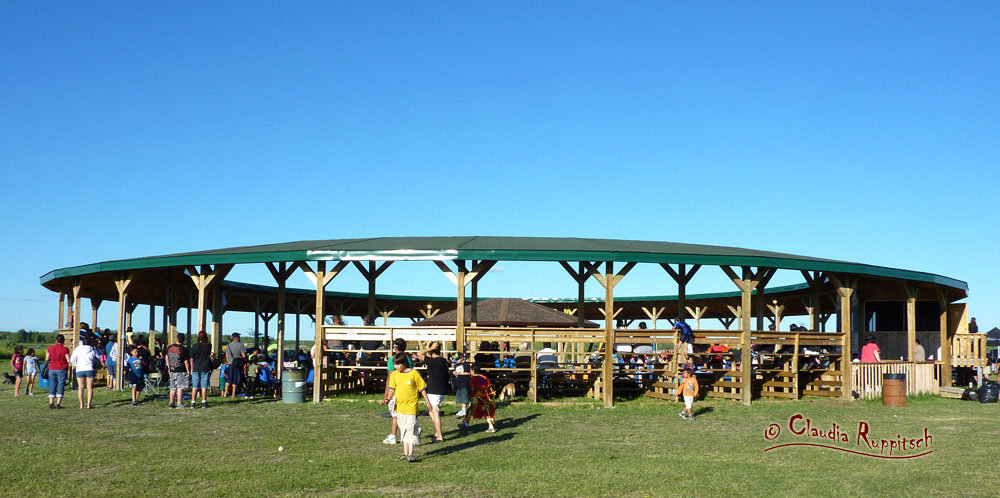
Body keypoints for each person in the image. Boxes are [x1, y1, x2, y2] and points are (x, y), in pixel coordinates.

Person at [381, 352, 431, 462]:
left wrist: (427, 402)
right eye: (395, 364)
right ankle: (405, 453)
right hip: (400, 408)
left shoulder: (414, 373)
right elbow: (391, 389)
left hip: (411, 407)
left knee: (411, 429)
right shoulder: (394, 375)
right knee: (403, 429)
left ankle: (411, 453)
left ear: (404, 363)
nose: (396, 367)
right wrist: (387, 399)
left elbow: (422, 389)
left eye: (398, 364)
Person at [383, 338, 414, 445]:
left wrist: (386, 394)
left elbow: (390, 378)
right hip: (408, 390)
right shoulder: (409, 359)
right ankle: (412, 431)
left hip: (396, 390)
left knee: (396, 414)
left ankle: (394, 435)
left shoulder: (393, 359)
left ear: (395, 348)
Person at [416, 341, 448, 443]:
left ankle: (439, 436)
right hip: (442, 390)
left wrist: (430, 348)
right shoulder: (444, 361)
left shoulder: (432, 361)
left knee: (434, 411)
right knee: (431, 411)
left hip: (434, 390)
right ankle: (437, 433)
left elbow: (419, 354)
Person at [460, 363, 496, 432]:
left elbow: (474, 389)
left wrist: (471, 395)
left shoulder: (473, 379)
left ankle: (467, 424)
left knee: (471, 410)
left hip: (477, 398)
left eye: (470, 370)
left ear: (473, 370)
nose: (470, 372)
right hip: (486, 397)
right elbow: (489, 386)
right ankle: (490, 426)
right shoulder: (484, 377)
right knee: (485, 411)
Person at [70, 336, 102, 409]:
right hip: (90, 369)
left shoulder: (77, 349)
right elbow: (98, 359)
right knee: (89, 387)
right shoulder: (93, 350)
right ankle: (89, 404)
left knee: (80, 388)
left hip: (80, 369)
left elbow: (72, 359)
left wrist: (76, 365)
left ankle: (81, 404)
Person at [165, 333, 192, 409]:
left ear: (177, 339)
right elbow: (186, 361)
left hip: (172, 370)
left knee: (173, 387)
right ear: (183, 340)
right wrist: (188, 371)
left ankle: (171, 403)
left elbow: (166, 357)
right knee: (180, 387)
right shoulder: (184, 349)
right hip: (181, 370)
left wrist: (168, 367)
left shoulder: (170, 347)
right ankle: (179, 402)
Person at [190, 331, 214, 408]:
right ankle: (204, 401)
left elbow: (191, 358)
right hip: (205, 367)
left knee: (195, 386)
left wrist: (191, 368)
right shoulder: (209, 345)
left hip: (196, 367)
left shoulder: (194, 346)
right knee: (204, 386)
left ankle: (193, 402)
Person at [46, 334, 71, 409]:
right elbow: (68, 359)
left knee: (52, 384)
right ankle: (58, 403)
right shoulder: (65, 349)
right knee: (61, 384)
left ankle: (51, 402)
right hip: (62, 368)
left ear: (56, 340)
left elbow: (47, 359)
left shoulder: (50, 348)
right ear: (63, 341)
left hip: (52, 368)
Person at [224, 333, 246, 398]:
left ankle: (225, 393)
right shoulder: (241, 345)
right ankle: (233, 394)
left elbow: (226, 355)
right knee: (235, 379)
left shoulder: (228, 345)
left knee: (229, 379)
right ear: (237, 338)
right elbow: (244, 355)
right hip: (237, 364)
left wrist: (228, 362)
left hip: (230, 364)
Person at [452, 353, 471, 418]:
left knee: (464, 396)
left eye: (458, 359)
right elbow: (455, 371)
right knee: (460, 397)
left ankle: (464, 410)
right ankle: (463, 409)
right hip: (458, 383)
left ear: (462, 358)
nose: (457, 360)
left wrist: (459, 374)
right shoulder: (456, 364)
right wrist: (454, 373)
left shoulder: (466, 364)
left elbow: (468, 373)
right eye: (456, 359)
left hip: (464, 382)